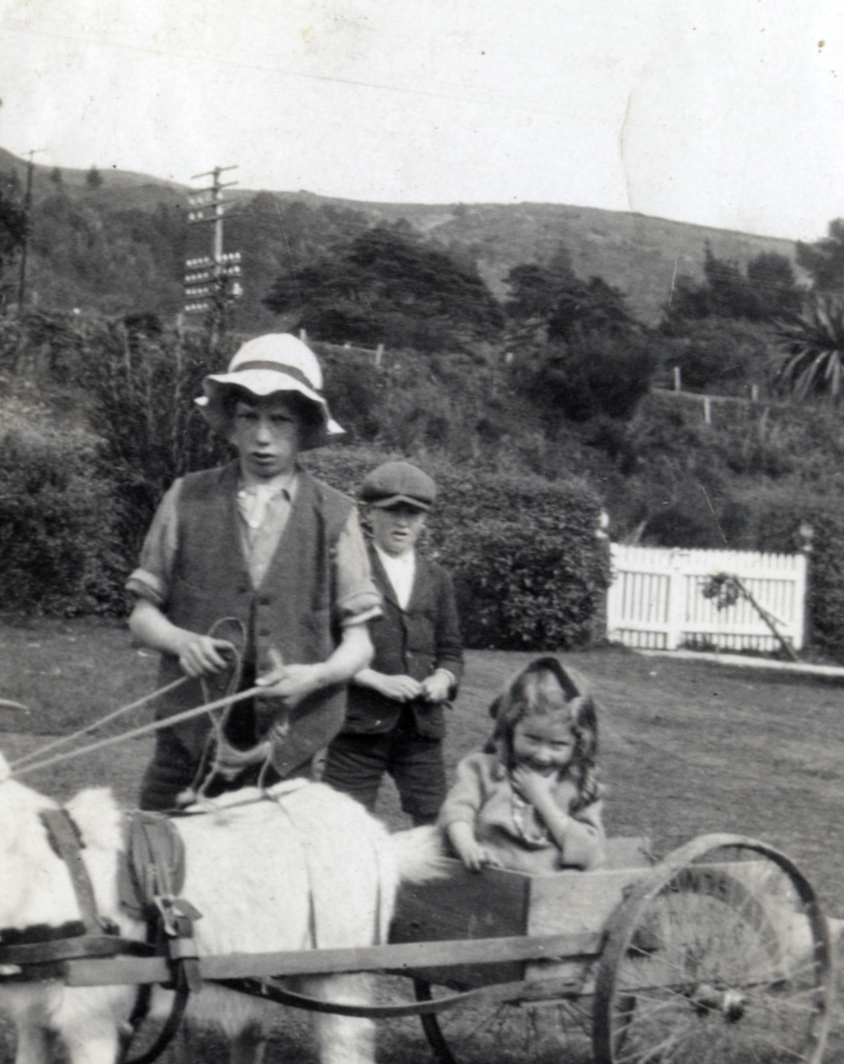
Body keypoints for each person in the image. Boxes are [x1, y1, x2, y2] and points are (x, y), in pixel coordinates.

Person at [125, 333, 380, 811]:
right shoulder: (186, 498)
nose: (263, 437)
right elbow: (142, 616)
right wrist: (182, 642)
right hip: (189, 736)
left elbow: (360, 642)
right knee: (159, 860)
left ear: (304, 427)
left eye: (279, 420)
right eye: (249, 418)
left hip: (287, 747)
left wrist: (316, 675)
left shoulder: (336, 516)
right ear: (230, 423)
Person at [321, 458, 463, 822]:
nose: (402, 522)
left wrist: (441, 680)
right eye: (392, 511)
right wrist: (376, 680)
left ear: (424, 520)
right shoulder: (348, 568)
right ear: (370, 515)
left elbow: (451, 651)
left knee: (435, 823)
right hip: (358, 725)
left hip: (420, 729)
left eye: (413, 514)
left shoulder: (438, 579)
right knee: (341, 824)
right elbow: (323, 646)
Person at [439, 654, 605, 873]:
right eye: (532, 739)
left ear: (578, 744)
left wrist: (542, 799)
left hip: (552, 895)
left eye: (557, 745)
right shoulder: (483, 769)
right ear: (510, 730)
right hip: (487, 885)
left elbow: (589, 855)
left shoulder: (578, 784)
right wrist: (468, 846)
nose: (542, 755)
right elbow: (457, 812)